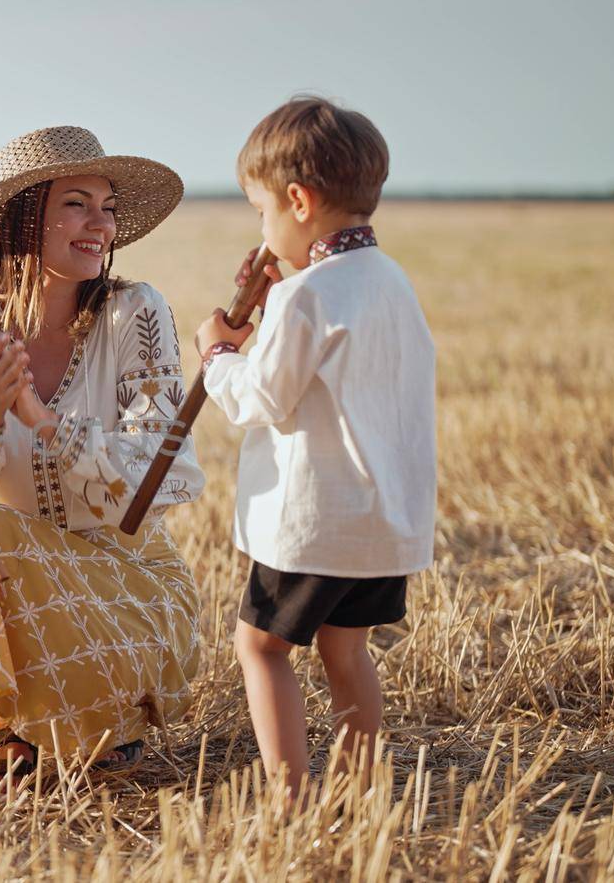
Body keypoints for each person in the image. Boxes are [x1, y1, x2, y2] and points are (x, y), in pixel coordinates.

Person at [0, 125, 204, 786]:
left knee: (1, 533)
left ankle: (95, 719)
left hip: (129, 590)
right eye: (77, 204)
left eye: (107, 207)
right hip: (19, 602)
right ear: (26, 218)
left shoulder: (135, 313)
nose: (101, 225)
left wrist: (50, 425)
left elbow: (164, 477)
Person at [195, 96, 437, 798]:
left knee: (261, 647)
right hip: (380, 517)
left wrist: (216, 355)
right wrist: (272, 305)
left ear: (297, 201)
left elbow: (261, 397)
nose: (262, 228)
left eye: (261, 211)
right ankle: (360, 788)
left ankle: (289, 798)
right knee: (346, 646)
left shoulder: (308, 296)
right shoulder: (390, 283)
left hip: (314, 521)